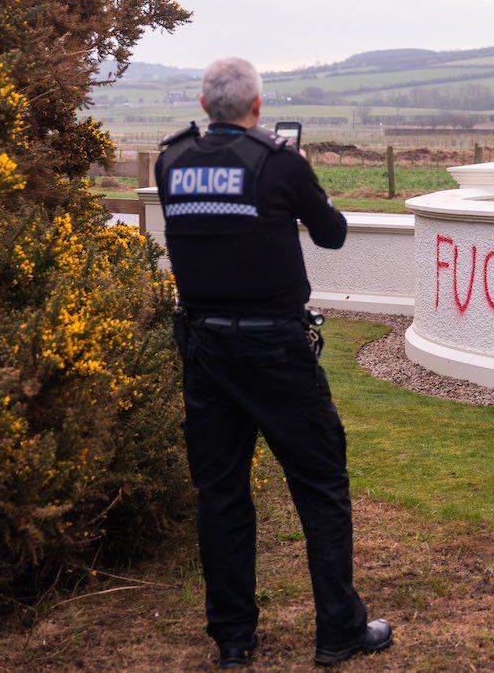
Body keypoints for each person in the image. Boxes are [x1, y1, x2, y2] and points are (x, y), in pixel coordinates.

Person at [156, 57, 391, 668]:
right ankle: (339, 629)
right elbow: (332, 234)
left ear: (205, 107)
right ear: (257, 108)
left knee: (221, 494)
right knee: (320, 487)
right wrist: (307, 182)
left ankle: (233, 639)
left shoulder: (171, 161)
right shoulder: (282, 162)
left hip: (205, 351)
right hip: (276, 352)